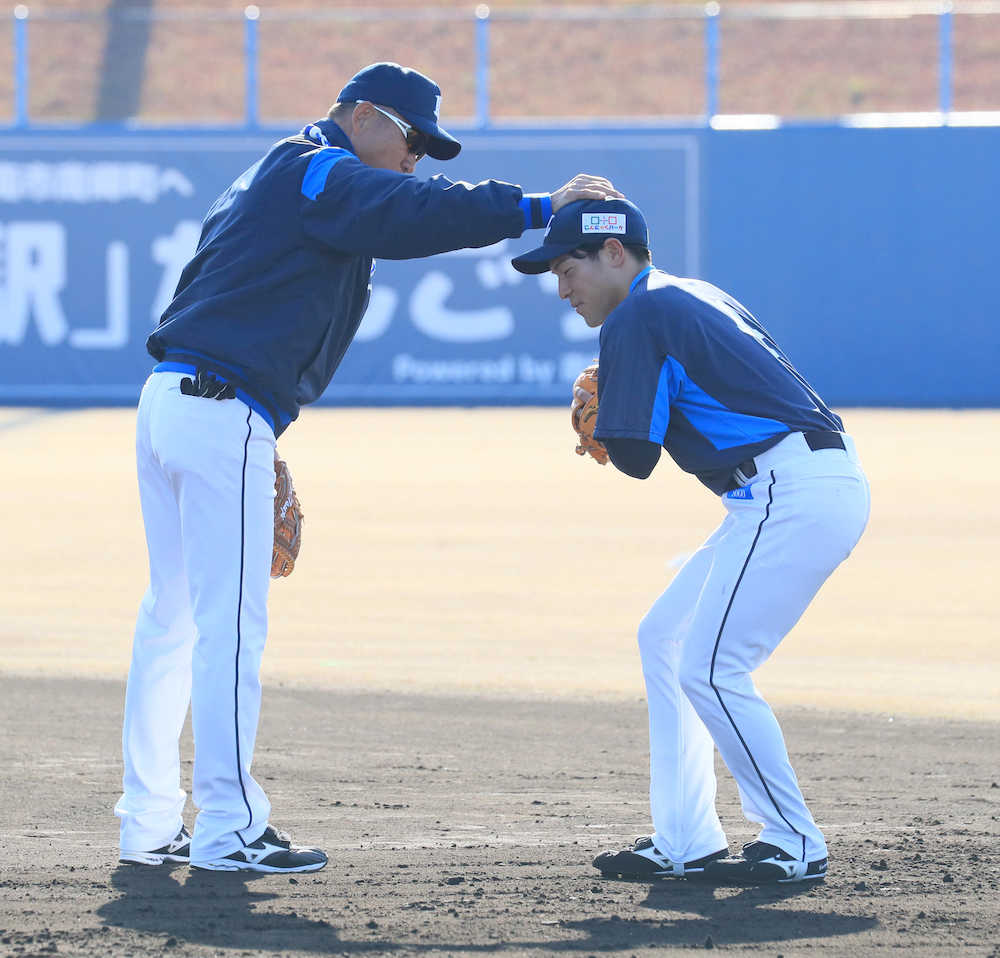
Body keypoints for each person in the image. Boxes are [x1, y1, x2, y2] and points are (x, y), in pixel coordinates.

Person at [115, 61, 621, 874]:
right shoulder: (317, 166)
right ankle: (227, 828)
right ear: (362, 114)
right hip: (217, 407)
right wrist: (532, 208)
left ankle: (145, 822)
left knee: (170, 620)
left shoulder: (276, 176)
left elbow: (233, 284)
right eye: (413, 139)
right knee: (227, 630)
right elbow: (405, 213)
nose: (417, 159)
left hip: (179, 401)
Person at [511, 198, 870, 884]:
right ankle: (686, 839)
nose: (561, 289)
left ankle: (794, 839)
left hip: (790, 491)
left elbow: (637, 458)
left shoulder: (638, 315)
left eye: (567, 268)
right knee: (666, 638)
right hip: (791, 485)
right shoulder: (686, 294)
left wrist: (610, 411)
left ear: (615, 254)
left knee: (709, 665)